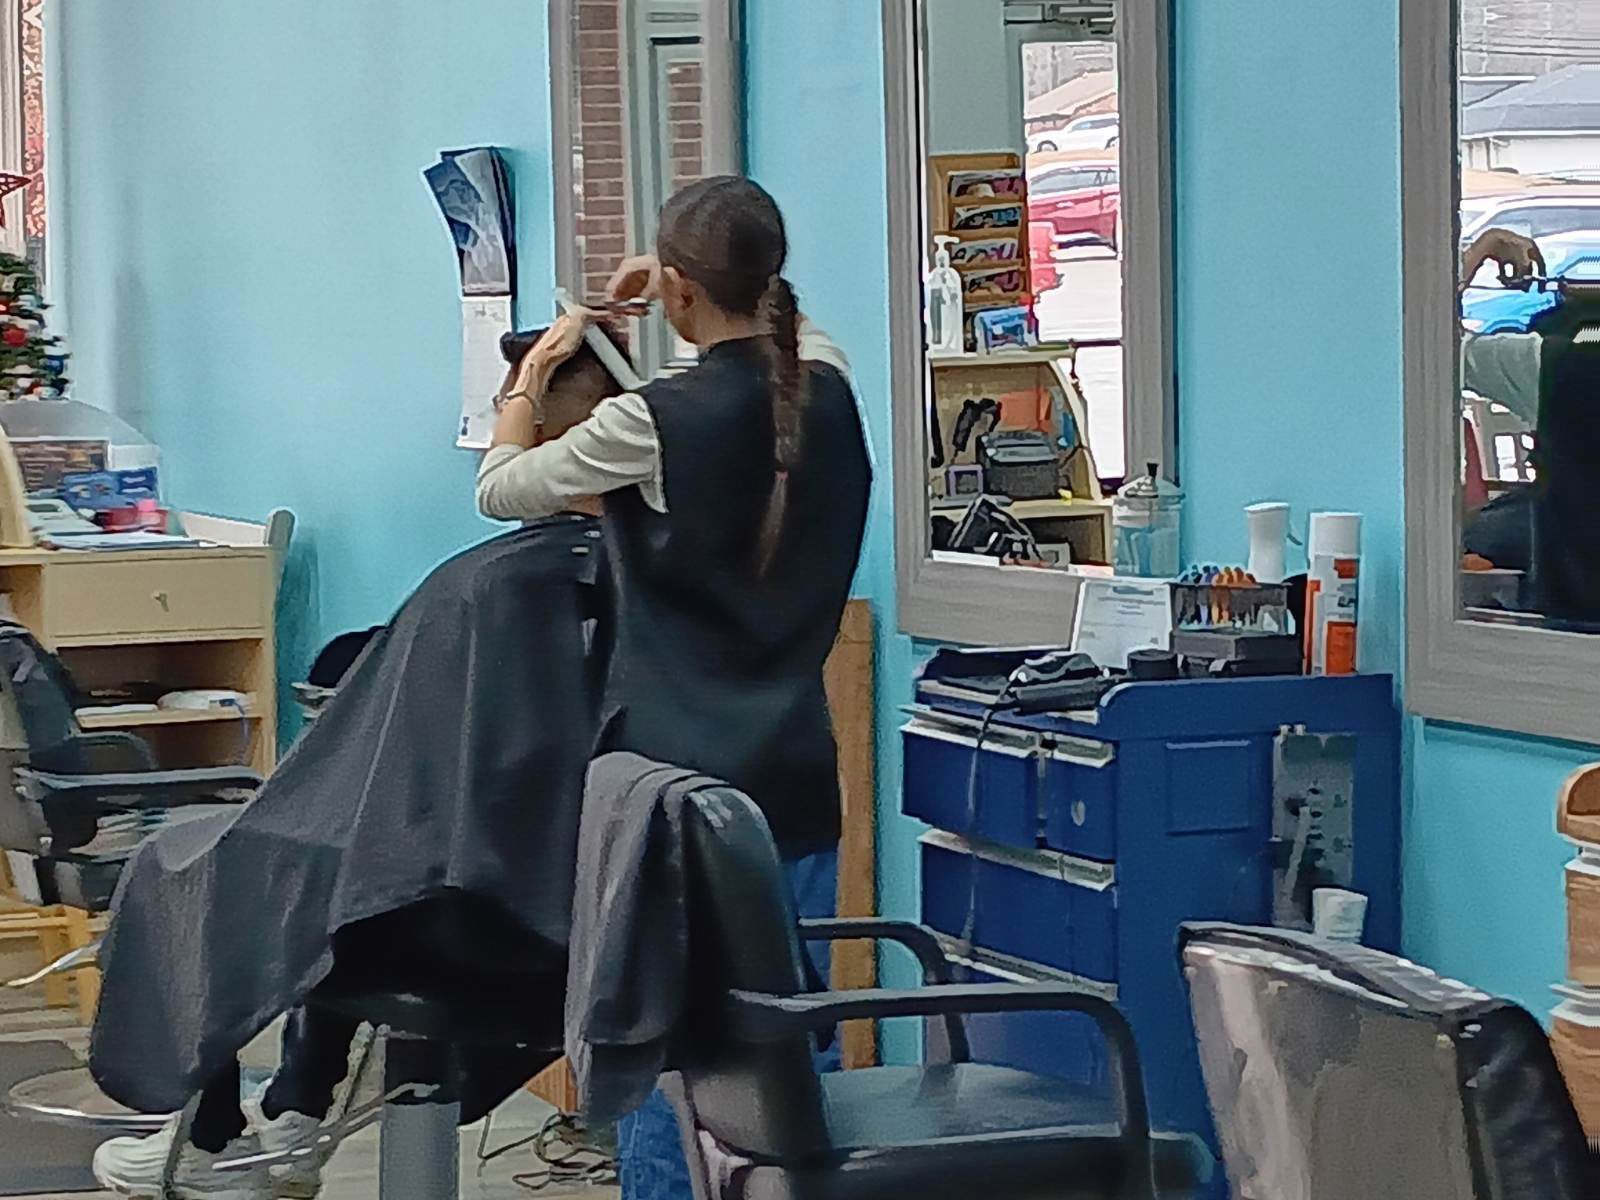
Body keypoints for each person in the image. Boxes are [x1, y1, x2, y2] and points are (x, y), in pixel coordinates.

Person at [88, 332, 626, 1200]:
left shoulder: (487, 587)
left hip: (458, 919)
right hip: (576, 910)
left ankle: (210, 1132)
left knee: (210, 863)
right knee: (333, 873)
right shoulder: (639, 578)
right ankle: (294, 1117)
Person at [475, 175, 873, 1200]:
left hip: (673, 799)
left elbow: (500, 488)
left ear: (680, 298)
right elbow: (793, 335)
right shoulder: (826, 390)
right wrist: (694, 278)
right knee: (792, 1046)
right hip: (792, 783)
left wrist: (541, 370)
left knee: (664, 1054)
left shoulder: (654, 422)